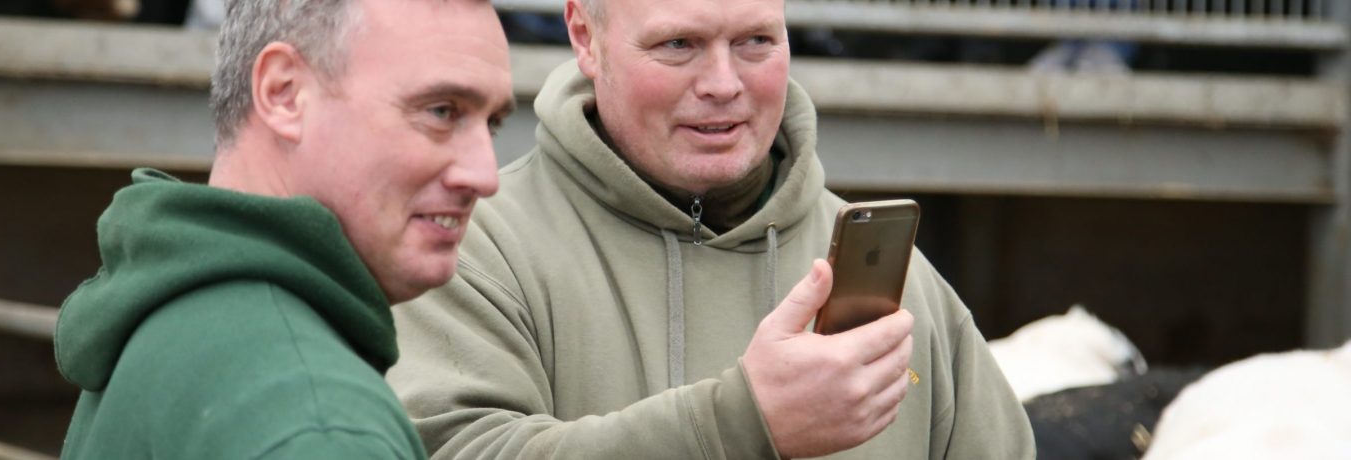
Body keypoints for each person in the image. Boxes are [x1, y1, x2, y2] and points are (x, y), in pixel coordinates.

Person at [387, 0, 1033, 458]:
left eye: (756, 40)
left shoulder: (906, 287)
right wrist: (739, 425)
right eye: (679, 45)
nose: (723, 84)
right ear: (585, 35)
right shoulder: (474, 250)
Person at [53, 0, 512, 457]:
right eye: (442, 112)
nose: (485, 175)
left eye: (491, 123)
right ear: (283, 93)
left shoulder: (175, 304)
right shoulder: (319, 423)